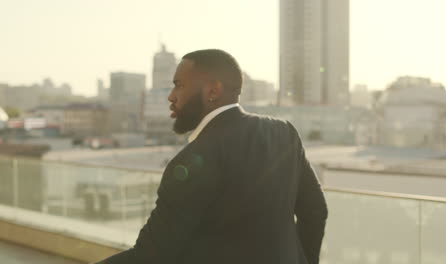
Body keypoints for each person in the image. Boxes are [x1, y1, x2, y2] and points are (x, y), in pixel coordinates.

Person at [97, 49, 328, 264]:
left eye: (179, 86)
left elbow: (150, 256)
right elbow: (316, 211)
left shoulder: (191, 161)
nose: (171, 96)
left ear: (213, 91)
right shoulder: (283, 133)